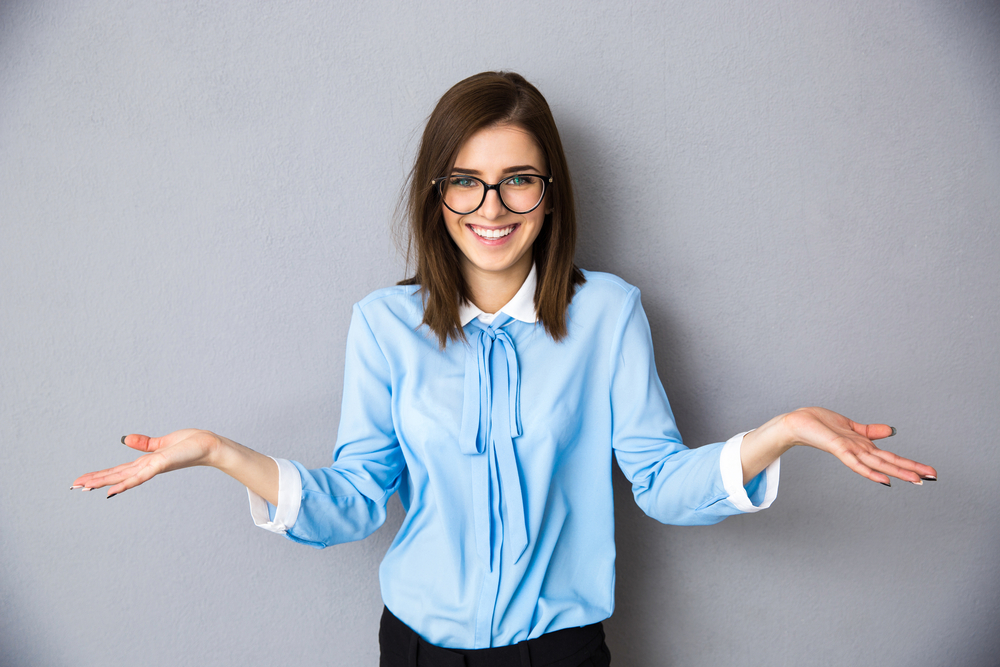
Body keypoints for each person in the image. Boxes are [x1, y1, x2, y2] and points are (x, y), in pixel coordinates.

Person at [73, 71, 936, 666]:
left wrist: (779, 433)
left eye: (519, 180)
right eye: (467, 181)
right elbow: (355, 498)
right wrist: (223, 454)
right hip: (415, 649)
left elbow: (664, 483)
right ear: (436, 193)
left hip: (561, 652)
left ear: (550, 192)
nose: (492, 208)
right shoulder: (383, 326)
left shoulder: (608, 314)